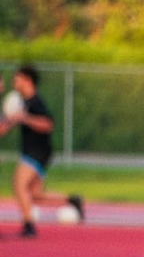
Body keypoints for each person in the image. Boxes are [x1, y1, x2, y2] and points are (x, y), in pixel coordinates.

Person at [0, 64, 83, 237]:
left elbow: (48, 124)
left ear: (27, 80)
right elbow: (6, 127)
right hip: (33, 152)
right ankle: (73, 200)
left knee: (19, 184)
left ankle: (29, 225)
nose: (14, 82)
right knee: (35, 194)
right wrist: (13, 120)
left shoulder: (35, 101)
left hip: (37, 151)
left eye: (17, 79)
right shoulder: (23, 103)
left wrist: (25, 118)